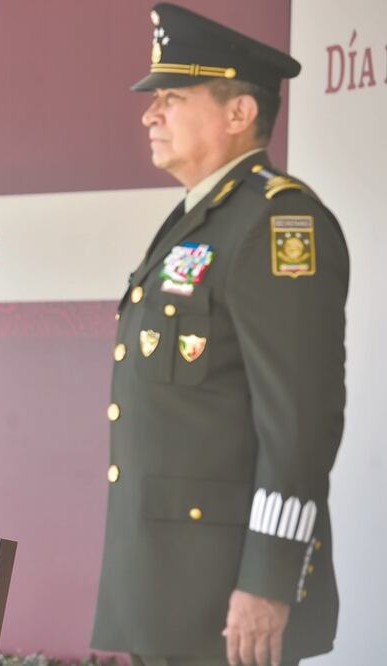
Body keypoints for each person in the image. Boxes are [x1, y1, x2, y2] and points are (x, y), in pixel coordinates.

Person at [91, 5, 348, 666]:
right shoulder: (199, 221)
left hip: (229, 596)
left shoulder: (277, 223)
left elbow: (299, 422)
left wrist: (269, 580)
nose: (150, 114)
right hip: (170, 587)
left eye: (172, 98)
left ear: (240, 113)